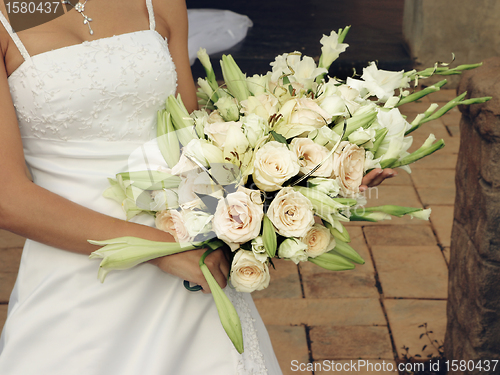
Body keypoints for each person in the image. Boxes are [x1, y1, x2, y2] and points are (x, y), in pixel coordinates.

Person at [0, 0, 395, 373]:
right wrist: (158, 250)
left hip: (189, 258)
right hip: (78, 271)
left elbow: (198, 146)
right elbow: (8, 199)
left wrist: (316, 179)